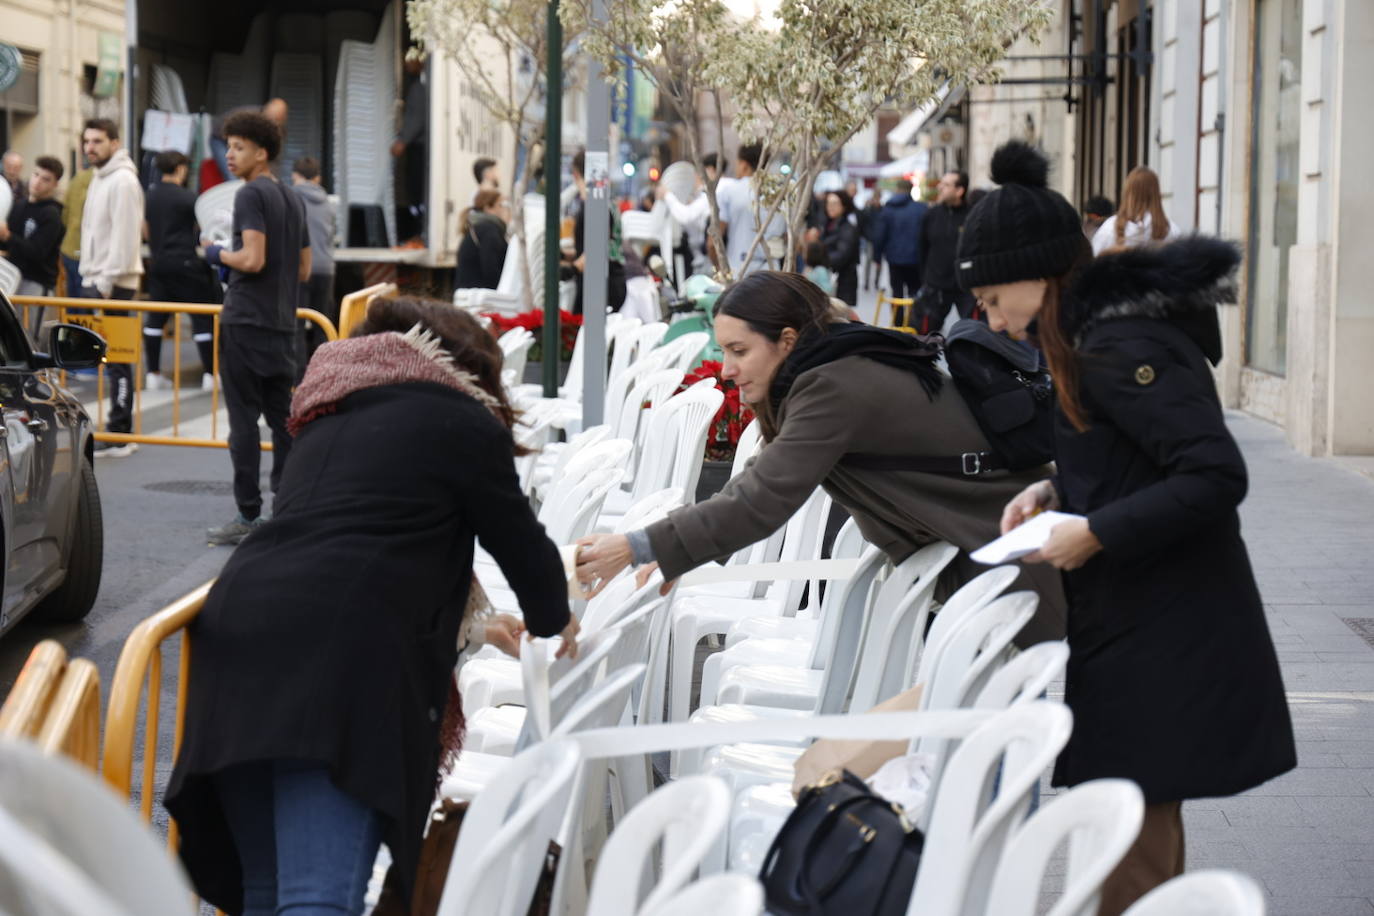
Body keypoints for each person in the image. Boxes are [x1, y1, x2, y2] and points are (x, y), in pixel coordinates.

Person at [958, 141, 1295, 915]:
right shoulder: (1088, 337)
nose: (983, 309)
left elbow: (1214, 474)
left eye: (988, 290)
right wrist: (1052, 491)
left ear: (1039, 273)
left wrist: (1095, 532)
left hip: (1167, 621)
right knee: (1137, 825)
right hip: (1146, 615)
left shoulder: (1116, 343)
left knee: (1132, 830)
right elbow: (1130, 452)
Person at [164, 296, 580, 916]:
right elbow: (521, 545)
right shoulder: (461, 420)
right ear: (469, 372)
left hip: (237, 634)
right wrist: (559, 620)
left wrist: (476, 623)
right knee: (316, 900)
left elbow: (372, 530)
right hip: (339, 665)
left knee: (265, 893)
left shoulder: (327, 411)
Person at [574, 270, 1066, 645]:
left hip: (1011, 567)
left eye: (739, 350)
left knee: (992, 752)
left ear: (786, 341)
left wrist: (639, 546)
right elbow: (751, 485)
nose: (726, 369)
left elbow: (757, 504)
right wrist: (677, 549)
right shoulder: (830, 367)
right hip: (993, 566)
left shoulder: (831, 386)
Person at [202, 111, 310, 546]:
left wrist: (215, 253)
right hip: (283, 323)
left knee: (243, 422)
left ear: (261, 153)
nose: (229, 154)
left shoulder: (250, 195)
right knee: (283, 422)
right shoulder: (292, 197)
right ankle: (285, 508)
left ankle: (248, 515)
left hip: (245, 320)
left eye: (239, 147)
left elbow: (251, 259)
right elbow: (303, 269)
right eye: (228, 146)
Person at [78, 118, 145, 458]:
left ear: (115, 143)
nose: (90, 147)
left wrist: (103, 283)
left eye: (98, 141)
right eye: (87, 141)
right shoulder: (99, 178)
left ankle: (121, 432)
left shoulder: (122, 181)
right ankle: (117, 428)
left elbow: (124, 235)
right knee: (110, 357)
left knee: (118, 359)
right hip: (99, 280)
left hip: (114, 283)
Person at [143, 150, 217, 390]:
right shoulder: (188, 198)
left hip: (158, 263)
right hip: (185, 263)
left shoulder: (150, 196)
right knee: (201, 317)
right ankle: (210, 375)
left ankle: (152, 374)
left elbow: (145, 229)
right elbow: (203, 229)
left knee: (155, 319)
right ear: (181, 169)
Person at [0, 156, 65, 315]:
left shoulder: (51, 214)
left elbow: (37, 251)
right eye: (36, 175)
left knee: (29, 337)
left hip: (36, 284)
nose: (37, 182)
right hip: (10, 277)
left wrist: (8, 236)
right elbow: (7, 245)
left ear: (55, 184)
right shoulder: (19, 205)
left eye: (45, 179)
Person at [290, 156, 338, 368]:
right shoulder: (328, 202)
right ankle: (324, 375)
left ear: (295, 175)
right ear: (318, 178)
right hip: (326, 269)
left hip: (299, 269)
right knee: (323, 325)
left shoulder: (290, 198)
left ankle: (299, 381)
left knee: (296, 326)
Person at [565, 148, 626, 314]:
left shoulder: (594, 204)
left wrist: (573, 268)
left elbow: (598, 246)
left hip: (600, 283)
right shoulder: (604, 201)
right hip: (610, 279)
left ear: (576, 174)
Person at [915, 169, 977, 331]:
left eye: (946, 184)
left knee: (975, 333)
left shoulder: (973, 216)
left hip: (966, 287)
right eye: (941, 183)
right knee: (926, 336)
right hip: (936, 286)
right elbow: (922, 249)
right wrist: (926, 280)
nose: (940, 187)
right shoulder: (931, 215)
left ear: (959, 191)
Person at [715, 143, 784, 279]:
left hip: (738, 271)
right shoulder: (780, 194)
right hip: (773, 272)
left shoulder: (729, 192)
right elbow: (789, 240)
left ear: (744, 164)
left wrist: (719, 267)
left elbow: (714, 240)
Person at [1091, 167, 1180, 256]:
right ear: (1157, 194)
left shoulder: (1109, 229)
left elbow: (1094, 262)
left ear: (1127, 193)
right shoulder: (1171, 231)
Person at [872, 178, 927, 319]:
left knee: (897, 292)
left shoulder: (888, 210)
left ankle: (898, 323)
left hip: (894, 259)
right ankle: (914, 322)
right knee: (915, 291)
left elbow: (879, 236)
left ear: (897, 190)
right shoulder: (921, 209)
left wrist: (877, 257)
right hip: (915, 258)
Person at [391, 53, 428, 242]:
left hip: (418, 148)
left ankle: (418, 232)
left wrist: (403, 140)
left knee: (415, 190)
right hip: (416, 147)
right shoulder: (417, 85)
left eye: (410, 59)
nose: (406, 64)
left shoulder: (419, 89)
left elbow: (416, 119)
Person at [810, 190, 860, 307]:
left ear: (844, 206)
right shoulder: (827, 225)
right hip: (830, 280)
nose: (830, 207)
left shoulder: (848, 228)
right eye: (828, 203)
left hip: (842, 282)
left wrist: (820, 261)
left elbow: (842, 255)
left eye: (835, 203)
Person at [454, 188, 508, 291]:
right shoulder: (489, 230)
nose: (503, 209)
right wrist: (502, 292)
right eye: (500, 205)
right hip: (479, 299)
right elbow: (491, 269)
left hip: (470, 295)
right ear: (488, 208)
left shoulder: (478, 228)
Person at [59, 157, 93, 297]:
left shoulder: (75, 180)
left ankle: (70, 319)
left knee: (71, 296)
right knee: (85, 301)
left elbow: (65, 214)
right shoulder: (98, 180)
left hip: (68, 247)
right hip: (86, 249)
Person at [858, 190, 884, 291]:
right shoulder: (868, 210)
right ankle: (866, 282)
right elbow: (863, 223)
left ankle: (876, 282)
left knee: (878, 262)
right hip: (870, 239)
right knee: (868, 261)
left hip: (879, 240)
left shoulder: (883, 210)